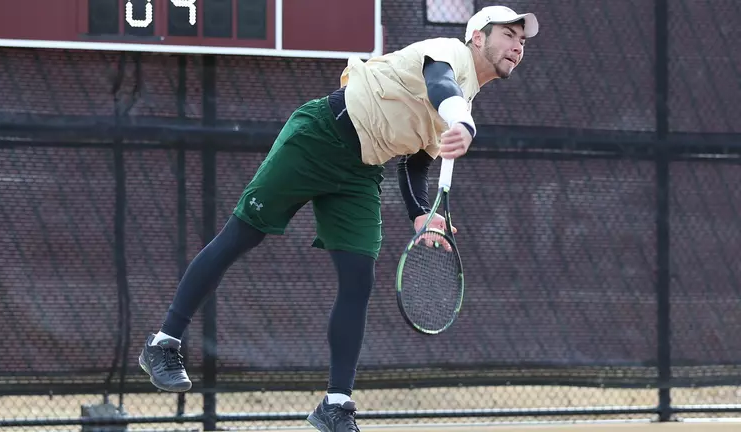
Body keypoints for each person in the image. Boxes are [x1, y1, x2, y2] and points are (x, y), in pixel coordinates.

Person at [138, 5, 538, 432]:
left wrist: (421, 215)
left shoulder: (467, 95)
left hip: (362, 171)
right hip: (319, 135)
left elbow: (416, 161)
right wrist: (463, 121)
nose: (517, 46)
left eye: (522, 41)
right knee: (240, 236)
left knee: (358, 279)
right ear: (478, 37)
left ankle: (336, 404)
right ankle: (163, 343)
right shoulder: (448, 54)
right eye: (508, 35)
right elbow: (439, 84)